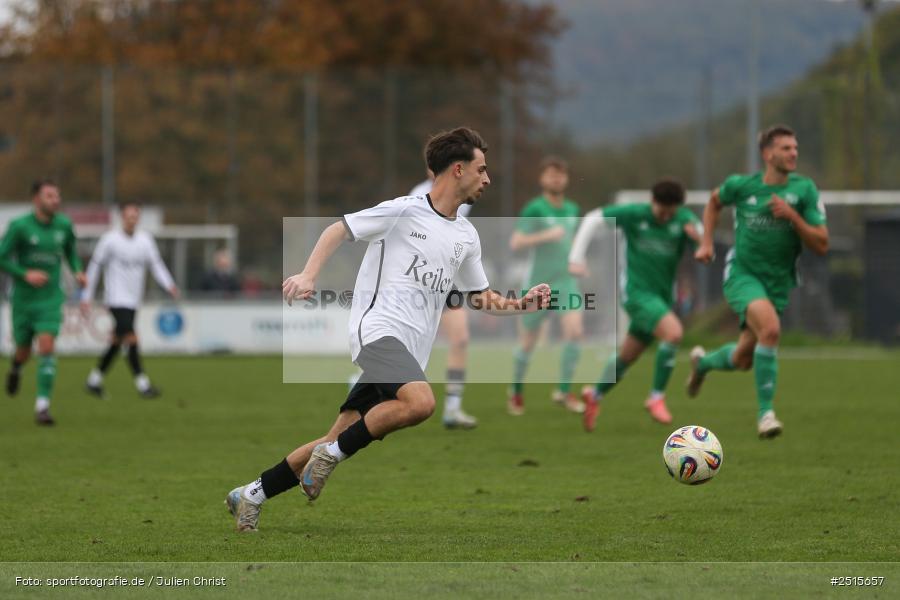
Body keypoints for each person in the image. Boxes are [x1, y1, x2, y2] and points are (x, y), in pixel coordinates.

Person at [225, 127, 551, 532]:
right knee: (421, 404)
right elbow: (337, 230)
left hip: (409, 353)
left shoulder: (466, 236)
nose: (488, 179)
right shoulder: (403, 211)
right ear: (458, 169)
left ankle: (250, 494)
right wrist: (308, 275)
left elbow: (482, 297)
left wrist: (522, 304)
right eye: (482, 170)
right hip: (376, 331)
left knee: (334, 436)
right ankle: (331, 458)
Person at [688, 124, 828, 438]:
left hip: (778, 283)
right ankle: (766, 415)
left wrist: (793, 217)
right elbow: (713, 202)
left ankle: (702, 364)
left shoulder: (804, 190)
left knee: (742, 359)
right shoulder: (741, 185)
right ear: (767, 154)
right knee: (772, 329)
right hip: (742, 275)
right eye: (785, 148)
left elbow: (821, 243)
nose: (793, 153)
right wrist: (707, 242)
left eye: (795, 147)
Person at [569, 179, 702, 431]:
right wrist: (576, 257)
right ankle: (656, 398)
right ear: (652, 202)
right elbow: (593, 218)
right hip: (636, 293)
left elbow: (705, 253)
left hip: (662, 298)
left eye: (670, 212)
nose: (665, 216)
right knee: (673, 334)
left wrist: (700, 242)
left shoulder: (683, 219)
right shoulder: (634, 215)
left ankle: (594, 396)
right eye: (661, 210)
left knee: (628, 356)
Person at [0, 180, 86, 425]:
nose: (55, 200)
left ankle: (42, 407)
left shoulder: (65, 225)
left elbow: (71, 252)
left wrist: (78, 270)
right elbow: (1, 257)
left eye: (57, 196)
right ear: (36, 199)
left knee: (47, 346)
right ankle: (16, 368)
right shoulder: (19, 227)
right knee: (24, 350)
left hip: (50, 298)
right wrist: (24, 274)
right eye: (49, 196)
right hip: (24, 300)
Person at [507, 156, 584, 415]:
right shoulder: (535, 209)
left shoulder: (573, 209)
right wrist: (545, 235)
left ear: (567, 179)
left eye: (561, 174)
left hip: (566, 280)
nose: (556, 179)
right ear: (542, 179)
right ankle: (515, 391)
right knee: (528, 342)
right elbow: (516, 242)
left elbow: (571, 243)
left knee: (574, 331)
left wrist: (578, 261)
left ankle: (564, 391)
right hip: (539, 284)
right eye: (551, 174)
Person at [81, 201, 180, 399]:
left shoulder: (145, 240)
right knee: (132, 338)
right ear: (121, 218)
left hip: (134, 299)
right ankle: (143, 385)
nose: (132, 220)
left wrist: (169, 284)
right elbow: (95, 267)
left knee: (117, 342)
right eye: (128, 216)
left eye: (135, 216)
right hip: (116, 299)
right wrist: (86, 296)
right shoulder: (110, 240)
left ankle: (94, 381)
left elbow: (156, 264)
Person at [410, 170, 477, 429]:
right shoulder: (419, 195)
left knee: (460, 339)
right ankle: (362, 380)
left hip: (446, 280)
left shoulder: (464, 192)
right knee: (408, 346)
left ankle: (452, 409)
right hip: (419, 280)